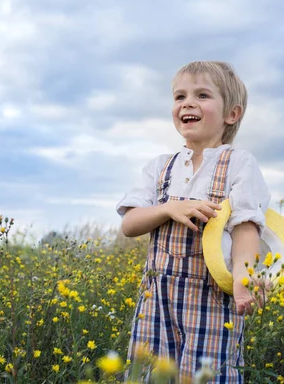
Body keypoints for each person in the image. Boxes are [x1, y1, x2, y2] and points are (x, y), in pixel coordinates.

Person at [116, 61, 271, 382]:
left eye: (202, 95)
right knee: (150, 375)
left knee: (207, 376)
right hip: (156, 300)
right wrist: (169, 209)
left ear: (232, 114)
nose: (187, 103)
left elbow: (246, 227)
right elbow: (130, 224)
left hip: (212, 300)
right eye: (179, 97)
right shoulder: (160, 167)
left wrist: (244, 280)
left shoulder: (238, 163)